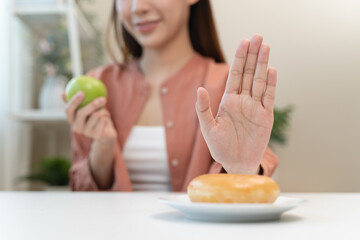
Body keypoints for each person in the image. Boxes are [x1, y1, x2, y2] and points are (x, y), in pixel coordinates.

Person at [63, 0, 279, 192]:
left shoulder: (230, 87)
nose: (139, 7)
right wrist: (102, 148)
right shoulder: (100, 84)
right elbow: (84, 199)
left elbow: (252, 175)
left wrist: (241, 169)